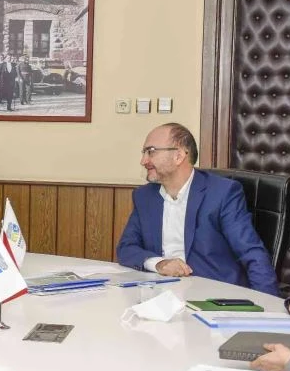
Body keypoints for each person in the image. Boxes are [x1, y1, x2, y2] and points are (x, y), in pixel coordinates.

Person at [115, 123, 278, 295]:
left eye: (151, 151)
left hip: (214, 297)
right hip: (161, 294)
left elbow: (251, 252)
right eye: (144, 153)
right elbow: (126, 248)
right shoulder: (144, 196)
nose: (143, 161)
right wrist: (159, 264)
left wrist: (269, 304)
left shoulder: (222, 193)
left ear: (179, 156)